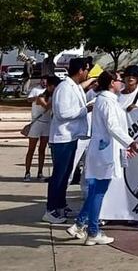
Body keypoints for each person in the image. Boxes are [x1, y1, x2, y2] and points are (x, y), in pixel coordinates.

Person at [66, 70, 138, 245]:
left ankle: (80, 224)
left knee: (95, 191)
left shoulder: (105, 100)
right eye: (118, 80)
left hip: (101, 151)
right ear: (111, 83)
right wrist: (131, 142)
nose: (121, 82)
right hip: (104, 153)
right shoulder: (107, 102)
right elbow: (113, 127)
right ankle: (93, 231)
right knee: (98, 192)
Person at [44, 58, 92, 224]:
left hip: (71, 136)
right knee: (59, 175)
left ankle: (60, 204)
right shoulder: (64, 88)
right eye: (87, 69)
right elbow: (62, 113)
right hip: (62, 138)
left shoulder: (75, 87)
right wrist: (85, 110)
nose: (88, 73)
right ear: (80, 70)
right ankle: (50, 210)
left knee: (66, 174)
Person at [24, 76, 59, 182]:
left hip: (47, 123)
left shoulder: (52, 94)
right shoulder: (38, 92)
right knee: (31, 148)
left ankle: (40, 172)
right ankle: (27, 172)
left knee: (42, 149)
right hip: (36, 123)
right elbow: (46, 106)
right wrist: (40, 98)